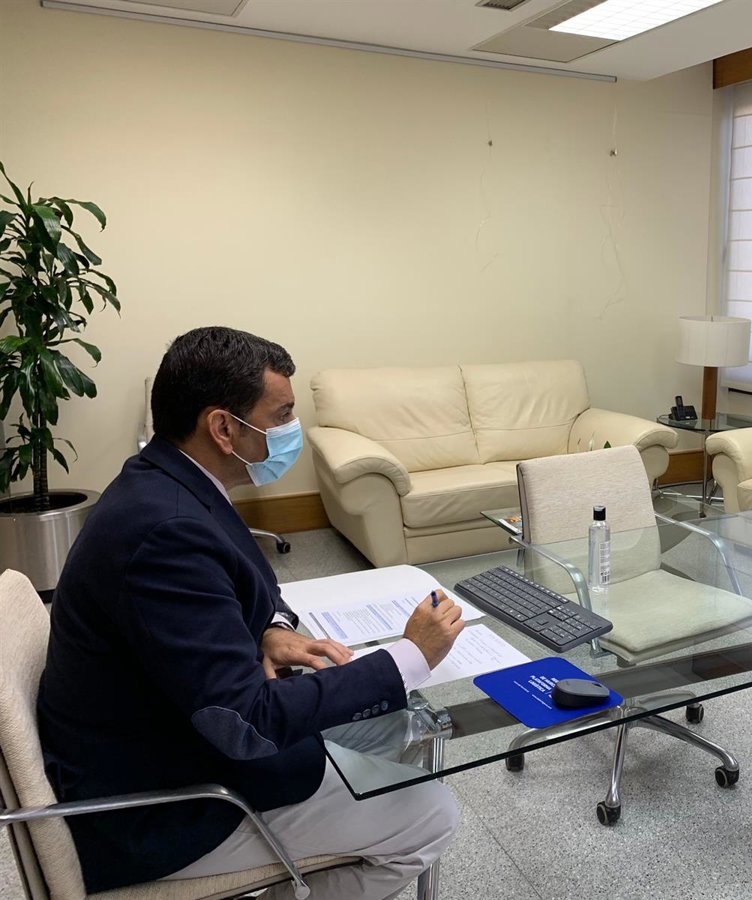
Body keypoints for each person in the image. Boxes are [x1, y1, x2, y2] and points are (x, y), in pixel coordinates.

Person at [37, 326, 464, 898]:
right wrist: (410, 655)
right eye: (281, 415)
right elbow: (246, 724)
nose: (293, 429)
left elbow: (243, 581)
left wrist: (271, 629)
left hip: (171, 733)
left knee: (389, 720)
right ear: (222, 427)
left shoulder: (170, 480)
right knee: (431, 812)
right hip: (160, 807)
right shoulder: (166, 533)